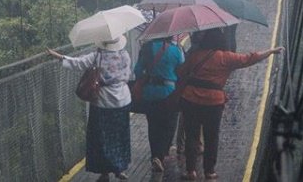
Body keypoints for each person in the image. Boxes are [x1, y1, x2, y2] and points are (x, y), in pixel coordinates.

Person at [178, 28, 284, 180]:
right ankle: (209, 171)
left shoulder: (195, 56)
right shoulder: (226, 58)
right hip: (213, 102)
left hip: (190, 99)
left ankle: (190, 171)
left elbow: (181, 72)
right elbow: (249, 58)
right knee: (212, 136)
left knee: (192, 136)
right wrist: (271, 51)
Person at [47, 36, 132, 181]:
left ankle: (104, 172)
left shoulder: (96, 56)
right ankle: (119, 168)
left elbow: (77, 63)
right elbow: (128, 75)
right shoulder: (125, 55)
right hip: (123, 99)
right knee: (120, 136)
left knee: (101, 138)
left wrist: (59, 56)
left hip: (103, 102)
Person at [134, 37, 185, 173]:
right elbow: (182, 71)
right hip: (170, 93)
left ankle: (155, 155)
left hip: (150, 92)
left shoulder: (146, 48)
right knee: (169, 124)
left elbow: (138, 71)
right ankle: (162, 154)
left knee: (153, 125)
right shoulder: (176, 50)